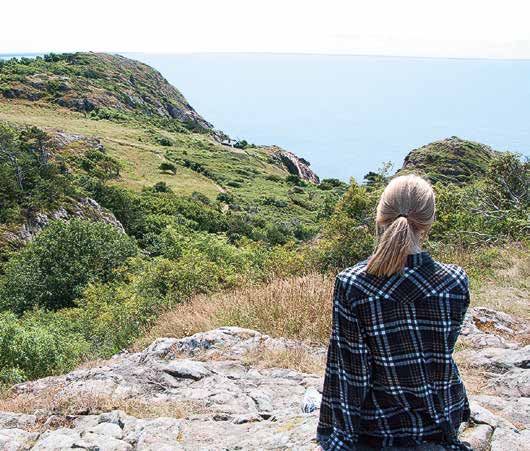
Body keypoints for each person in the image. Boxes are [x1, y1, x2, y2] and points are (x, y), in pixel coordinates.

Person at [317, 174, 471, 451]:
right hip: (442, 418)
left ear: (381, 217)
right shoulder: (455, 280)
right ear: (428, 222)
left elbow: (352, 372)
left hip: (379, 427)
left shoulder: (353, 284)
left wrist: (337, 434)